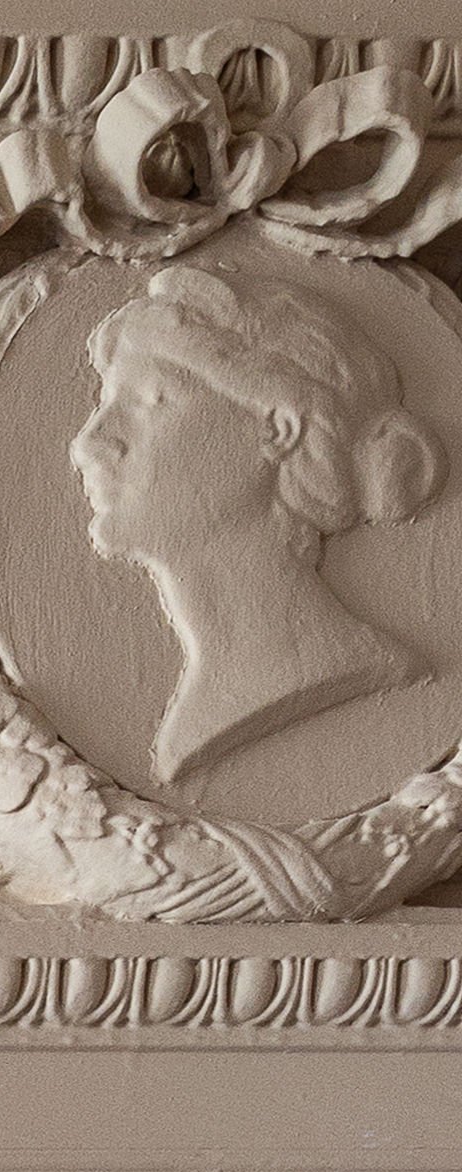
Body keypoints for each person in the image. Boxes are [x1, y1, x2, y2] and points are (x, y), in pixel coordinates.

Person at [66, 248, 447, 778]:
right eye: (108, 406)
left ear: (277, 429)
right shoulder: (195, 719)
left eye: (150, 400)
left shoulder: (332, 668)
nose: (90, 443)